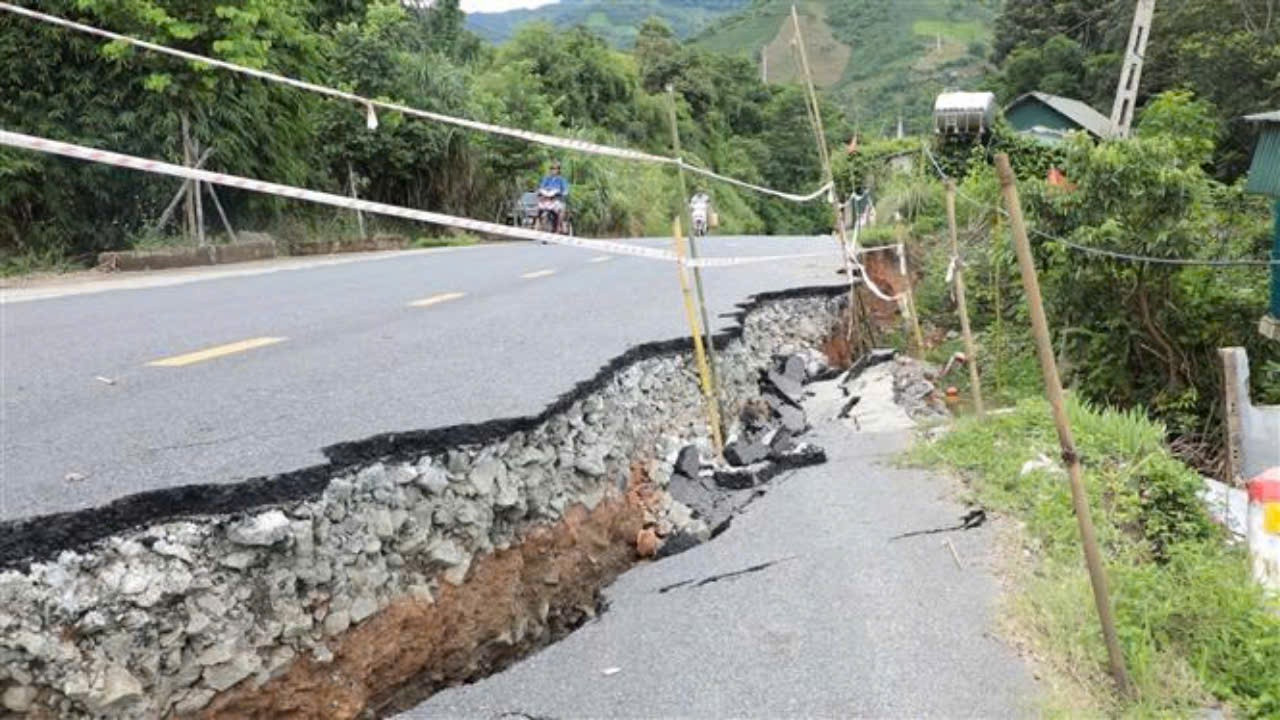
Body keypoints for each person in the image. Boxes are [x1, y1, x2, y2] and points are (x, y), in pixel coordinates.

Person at [537, 161, 569, 232]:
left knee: (560, 210)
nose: (553, 170)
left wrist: (563, 193)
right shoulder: (546, 179)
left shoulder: (561, 180)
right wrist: (540, 192)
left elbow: (565, 190)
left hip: (558, 199)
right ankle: (539, 223)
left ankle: (559, 225)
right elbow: (541, 187)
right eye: (552, 169)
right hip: (547, 200)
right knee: (539, 208)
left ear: (558, 170)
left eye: (555, 169)